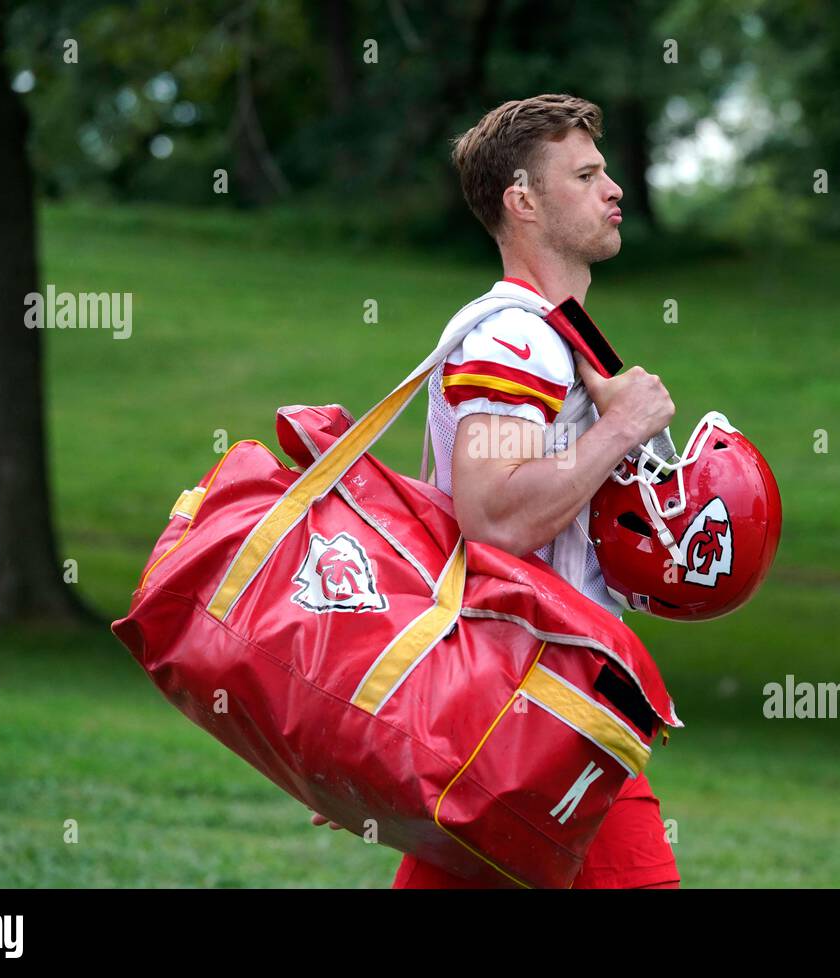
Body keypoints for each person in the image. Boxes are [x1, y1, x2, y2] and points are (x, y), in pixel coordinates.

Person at [316, 93, 681, 889]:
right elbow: (494, 517)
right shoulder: (514, 339)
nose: (614, 189)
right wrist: (623, 429)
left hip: (509, 710)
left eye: (606, 170)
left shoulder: (551, 333)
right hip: (533, 708)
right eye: (585, 175)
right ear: (522, 200)